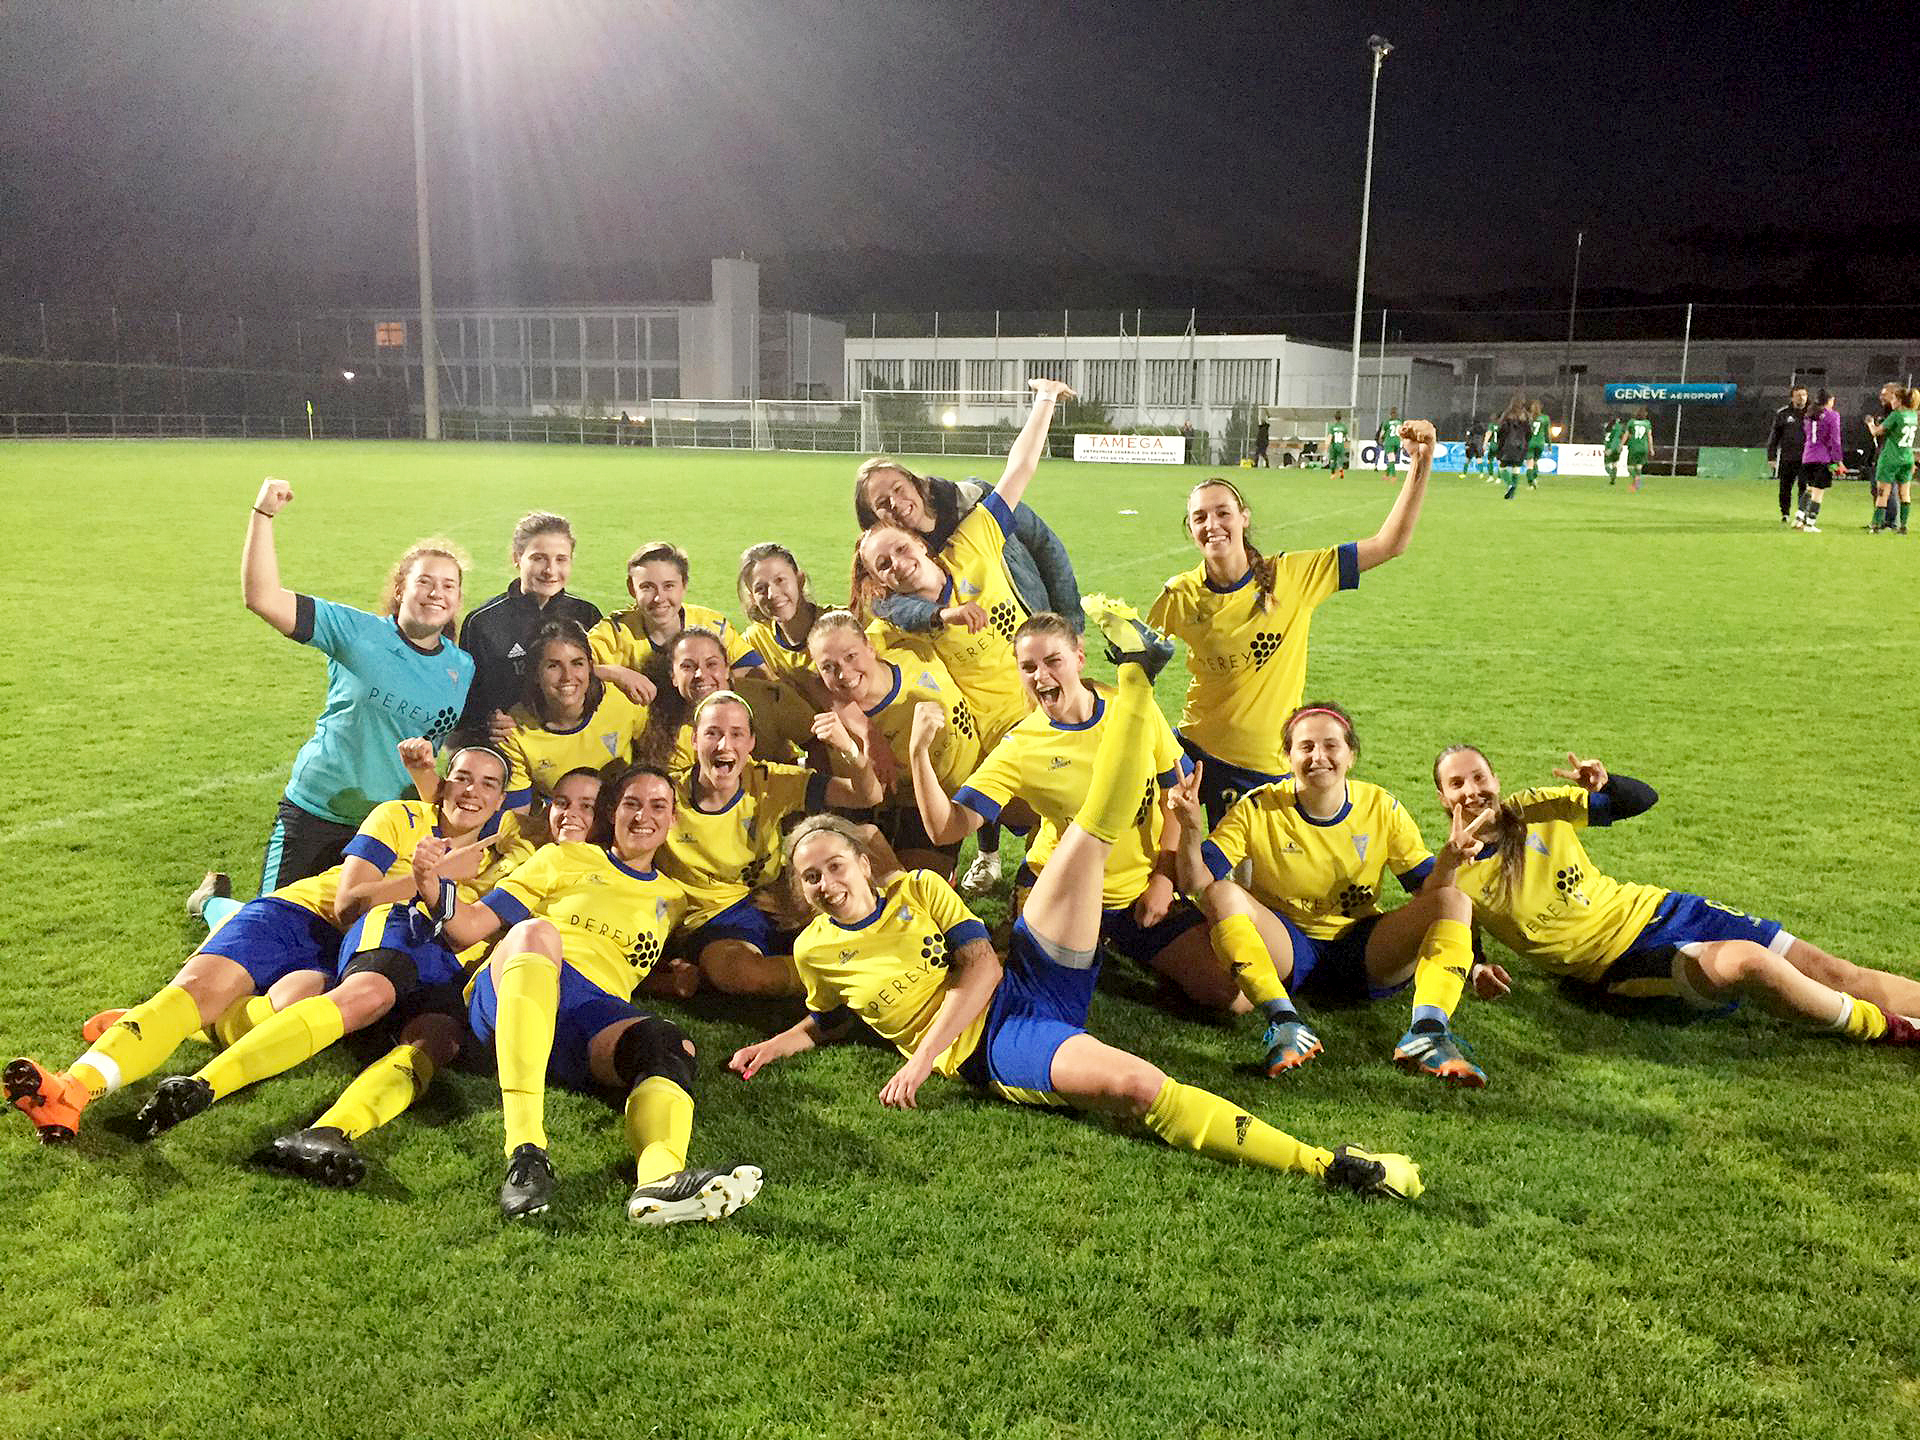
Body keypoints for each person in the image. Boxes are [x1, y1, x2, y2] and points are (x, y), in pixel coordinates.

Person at [728, 598, 1423, 1202]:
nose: (826, 882)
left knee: (1108, 853)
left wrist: (1162, 874)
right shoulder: (819, 949)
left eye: (834, 865)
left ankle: (1137, 672)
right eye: (810, 877)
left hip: (1068, 939)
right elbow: (827, 1016)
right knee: (1137, 1082)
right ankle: (1331, 1165)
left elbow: (985, 966)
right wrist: (776, 1044)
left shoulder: (921, 886)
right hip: (1001, 1041)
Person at [6, 745, 508, 1144]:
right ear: (443, 783)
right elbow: (350, 903)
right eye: (463, 776)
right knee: (200, 990)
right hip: (299, 917)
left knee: (285, 1008)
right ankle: (71, 1089)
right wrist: (429, 877)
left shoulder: (501, 864)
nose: (472, 791)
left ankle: (187, 1022)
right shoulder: (401, 817)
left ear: (503, 800)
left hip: (350, 959)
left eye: (490, 783)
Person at [1425, 745, 1920, 1052]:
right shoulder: (1454, 871)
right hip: (1621, 960)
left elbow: (1641, 801)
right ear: (1443, 799)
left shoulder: (1534, 807)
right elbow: (1460, 940)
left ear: (1496, 780)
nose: (1472, 791)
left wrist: (1608, 785)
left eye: (1479, 777)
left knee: (1835, 971)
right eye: (1457, 783)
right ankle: (1886, 1027)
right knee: (1749, 962)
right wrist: (1477, 971)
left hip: (1665, 909)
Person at [259, 765, 609, 1189]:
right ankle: (207, 1067)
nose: (570, 814)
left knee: (435, 1040)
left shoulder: (607, 869)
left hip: (461, 966)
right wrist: (426, 776)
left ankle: (327, 1132)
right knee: (332, 995)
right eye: (562, 802)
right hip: (412, 929)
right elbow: (460, 804)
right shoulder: (524, 836)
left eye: (587, 806)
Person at [442, 765, 764, 1223]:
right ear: (612, 812)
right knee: (538, 933)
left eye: (658, 807)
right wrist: (436, 890)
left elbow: (630, 958)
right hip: (518, 988)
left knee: (669, 1042)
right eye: (631, 804)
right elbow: (470, 927)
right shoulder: (563, 858)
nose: (642, 817)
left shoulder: (673, 898)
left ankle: (660, 1182)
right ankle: (525, 1153)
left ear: (672, 821)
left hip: (590, 1017)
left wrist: (670, 978)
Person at [907, 609, 1236, 1011]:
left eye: (1052, 661)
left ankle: (1116, 943)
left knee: (1227, 995)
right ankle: (1039, 934)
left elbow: (1176, 798)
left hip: (1137, 889)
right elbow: (946, 829)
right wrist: (918, 752)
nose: (1040, 676)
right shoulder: (1021, 746)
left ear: (1079, 658)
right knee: (1025, 999)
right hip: (1060, 888)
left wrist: (1163, 882)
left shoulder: (1131, 708)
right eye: (1027, 667)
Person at [1168, 703, 1489, 1083]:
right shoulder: (1258, 806)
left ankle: (1428, 1033)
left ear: (1350, 754)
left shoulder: (1381, 807)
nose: (1318, 756)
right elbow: (1195, 883)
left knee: (1455, 900)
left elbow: (1429, 896)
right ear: (1287, 757)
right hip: (1288, 948)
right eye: (1305, 747)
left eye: (1331, 746)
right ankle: (1285, 1025)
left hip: (1365, 950)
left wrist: (1449, 862)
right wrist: (1189, 828)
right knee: (1222, 893)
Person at [1148, 420, 1436, 824]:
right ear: (1191, 529)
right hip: (1192, 758)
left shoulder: (1294, 576)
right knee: (1176, 869)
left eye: (1222, 513)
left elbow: (1390, 544)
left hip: (1263, 770)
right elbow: (1138, 674)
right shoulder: (1180, 593)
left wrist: (1421, 464)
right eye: (1199, 517)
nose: (1212, 524)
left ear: (1244, 518)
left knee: (1248, 884)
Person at [853, 380, 1075, 894]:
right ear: (879, 580)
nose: (897, 564)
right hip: (987, 736)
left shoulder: (975, 538)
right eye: (883, 565)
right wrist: (868, 739)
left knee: (1067, 809)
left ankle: (1044, 882)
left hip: (1044, 707)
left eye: (902, 551)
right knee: (1016, 812)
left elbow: (1018, 472)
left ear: (923, 544)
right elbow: (847, 667)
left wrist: (1044, 401)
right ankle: (1011, 873)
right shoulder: (891, 616)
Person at [240, 477, 474, 893]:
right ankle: (211, 904)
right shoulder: (356, 632)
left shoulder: (462, 666)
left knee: (343, 943)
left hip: (388, 828)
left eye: (448, 585)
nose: (436, 593)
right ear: (401, 589)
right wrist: (263, 516)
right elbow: (263, 597)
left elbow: (449, 743)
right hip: (317, 812)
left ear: (457, 600)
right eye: (425, 581)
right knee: (272, 924)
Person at [660, 689, 881, 996]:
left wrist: (849, 751)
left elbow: (867, 795)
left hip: (777, 896)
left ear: (751, 743)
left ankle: (906, 922)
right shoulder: (664, 796)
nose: (725, 745)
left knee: (867, 838)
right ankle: (850, 972)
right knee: (745, 976)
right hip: (715, 919)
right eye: (713, 733)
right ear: (695, 740)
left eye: (737, 734)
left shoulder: (767, 779)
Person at [807, 609, 981, 877]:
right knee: (920, 886)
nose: (844, 673)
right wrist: (865, 736)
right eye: (828, 667)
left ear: (870, 646)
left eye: (851, 656)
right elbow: (811, 682)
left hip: (982, 769)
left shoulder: (903, 646)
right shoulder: (840, 728)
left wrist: (953, 612)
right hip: (925, 807)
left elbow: (907, 608)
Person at [455, 512, 602, 747]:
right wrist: (487, 724)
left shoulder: (586, 615)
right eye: (539, 558)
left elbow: (597, 683)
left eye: (561, 559)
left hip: (572, 744)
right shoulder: (483, 622)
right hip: (510, 746)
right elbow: (467, 703)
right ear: (517, 558)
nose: (550, 570)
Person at [498, 620, 649, 812]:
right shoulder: (512, 729)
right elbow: (518, 819)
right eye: (553, 666)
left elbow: (658, 756)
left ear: (590, 667)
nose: (567, 676)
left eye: (577, 663)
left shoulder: (622, 701)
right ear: (536, 674)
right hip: (561, 826)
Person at [588, 541, 760, 707]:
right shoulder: (615, 632)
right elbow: (568, 670)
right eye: (647, 587)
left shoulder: (711, 624)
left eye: (669, 586)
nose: (659, 598)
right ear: (632, 589)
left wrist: (716, 682)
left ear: (684, 585)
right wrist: (616, 673)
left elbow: (758, 671)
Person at [736, 542, 832, 705]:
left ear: (799, 580)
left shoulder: (839, 624)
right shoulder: (754, 641)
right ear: (752, 597)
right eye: (760, 588)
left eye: (780, 580)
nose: (772, 594)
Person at [1865, 383, 1916, 534]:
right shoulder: (1912, 415)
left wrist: (1869, 423)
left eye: (1893, 399)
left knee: (1883, 493)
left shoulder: (1896, 415)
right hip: (1907, 457)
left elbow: (1876, 432)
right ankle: (1903, 527)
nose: (1891, 402)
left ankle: (1876, 526)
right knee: (1905, 494)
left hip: (1891, 458)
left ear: (1899, 401)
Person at [1795, 390, 1842, 531]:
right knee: (1818, 492)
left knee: (1809, 488)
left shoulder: (1809, 415)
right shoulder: (1832, 416)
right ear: (1829, 401)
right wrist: (1837, 460)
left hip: (1807, 456)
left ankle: (1799, 518)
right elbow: (1835, 439)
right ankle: (1810, 523)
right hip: (1822, 458)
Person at [1767, 386, 1810, 525]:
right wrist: (1771, 457)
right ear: (1792, 397)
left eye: (1804, 395)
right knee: (1785, 487)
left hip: (1807, 458)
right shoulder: (1783, 414)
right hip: (1788, 457)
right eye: (1798, 395)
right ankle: (1785, 513)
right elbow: (1774, 437)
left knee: (1805, 487)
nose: (1801, 398)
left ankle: (1801, 514)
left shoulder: (1812, 413)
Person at [1495, 396, 1530, 500]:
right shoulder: (1525, 416)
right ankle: (1512, 494)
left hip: (1507, 445)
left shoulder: (1507, 414)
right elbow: (1529, 433)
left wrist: (1500, 444)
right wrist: (1525, 443)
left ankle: (1510, 484)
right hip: (1521, 446)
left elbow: (1501, 430)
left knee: (1502, 468)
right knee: (1516, 469)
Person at [1623, 407, 1654, 492]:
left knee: (1630, 467)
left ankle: (1636, 480)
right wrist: (1651, 448)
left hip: (1634, 447)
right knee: (1639, 466)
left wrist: (1621, 445)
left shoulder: (1631, 422)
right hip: (1644, 447)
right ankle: (1636, 485)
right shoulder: (1647, 423)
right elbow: (1649, 436)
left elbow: (1626, 434)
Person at [1525, 399, 1551, 488]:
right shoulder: (1545, 418)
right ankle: (1535, 478)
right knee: (1535, 461)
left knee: (1529, 464)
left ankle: (1531, 483)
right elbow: (1547, 433)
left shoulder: (1529, 418)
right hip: (1540, 443)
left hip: (1530, 442)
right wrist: (1549, 444)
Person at [1376, 408, 1402, 479]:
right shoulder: (1400, 422)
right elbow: (1402, 433)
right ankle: (1386, 474)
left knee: (1391, 459)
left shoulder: (1386, 422)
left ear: (1390, 414)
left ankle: (1393, 476)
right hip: (1397, 442)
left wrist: (1380, 439)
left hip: (1389, 442)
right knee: (1392, 459)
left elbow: (1382, 432)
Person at [1602, 415, 1626, 486]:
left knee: (1606, 466)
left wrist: (1609, 449)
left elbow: (1608, 438)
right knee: (1614, 464)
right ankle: (1613, 479)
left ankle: (1612, 475)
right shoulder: (1619, 428)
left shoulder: (1608, 427)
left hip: (1609, 447)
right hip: (1617, 447)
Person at [1326, 412, 1350, 478]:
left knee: (1332, 459)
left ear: (1335, 418)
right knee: (1340, 459)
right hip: (1341, 445)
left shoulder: (1332, 426)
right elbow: (1346, 438)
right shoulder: (1344, 427)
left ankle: (1333, 474)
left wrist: (1327, 445)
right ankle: (1341, 469)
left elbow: (1330, 436)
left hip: (1334, 446)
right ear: (1341, 418)